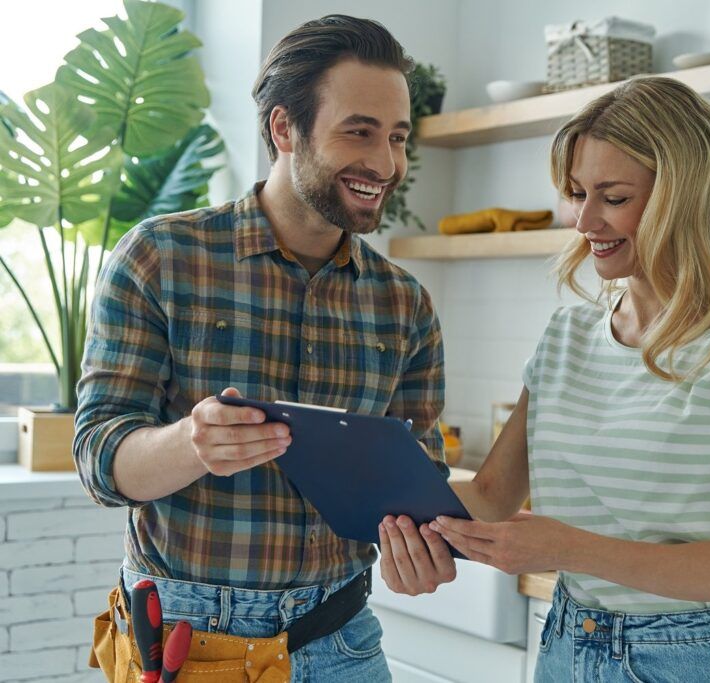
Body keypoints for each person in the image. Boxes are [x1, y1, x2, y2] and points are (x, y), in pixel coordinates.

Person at [380, 76, 710, 682]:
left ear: (685, 195)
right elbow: (490, 499)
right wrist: (368, 492)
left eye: (612, 197)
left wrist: (564, 549)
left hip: (689, 657)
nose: (583, 219)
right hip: (569, 642)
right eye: (576, 193)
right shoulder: (567, 336)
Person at [75, 15, 455, 681]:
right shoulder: (161, 257)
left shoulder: (405, 304)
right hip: (188, 645)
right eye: (359, 131)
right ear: (285, 129)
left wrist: (422, 545)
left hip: (343, 640)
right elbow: (100, 458)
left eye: (396, 138)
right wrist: (191, 444)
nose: (387, 163)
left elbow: (419, 481)